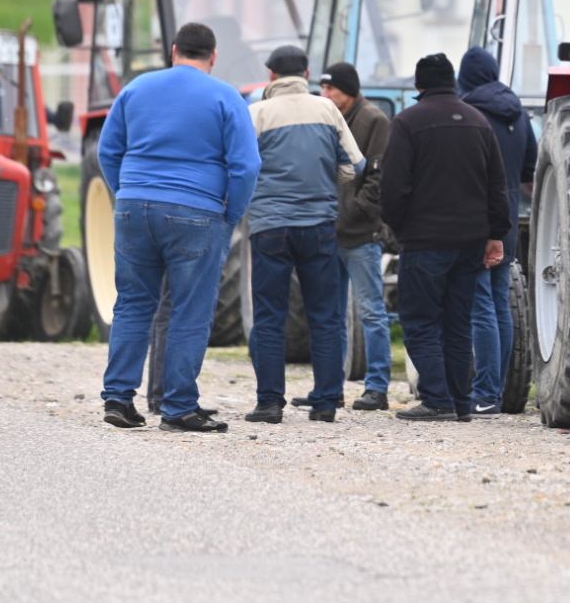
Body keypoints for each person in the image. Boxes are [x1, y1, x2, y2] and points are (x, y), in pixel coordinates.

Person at [98, 22, 260, 433]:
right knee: (191, 308)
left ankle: (119, 398)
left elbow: (108, 149)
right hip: (196, 212)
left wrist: (126, 193)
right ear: (214, 56)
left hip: (134, 206)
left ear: (173, 51)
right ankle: (178, 406)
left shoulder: (135, 89)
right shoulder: (226, 96)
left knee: (133, 303)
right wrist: (230, 213)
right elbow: (247, 166)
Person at [379, 53, 510, 422]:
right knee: (458, 321)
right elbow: (496, 185)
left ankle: (436, 399)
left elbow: (393, 187)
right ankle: (461, 401)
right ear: (452, 81)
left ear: (419, 85)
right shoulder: (478, 121)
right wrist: (495, 233)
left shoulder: (407, 123)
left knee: (421, 320)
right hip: (470, 241)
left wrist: (398, 227)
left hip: (423, 240)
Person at [244, 46, 365, 424]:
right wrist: (326, 179)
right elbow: (355, 165)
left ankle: (269, 403)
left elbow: (243, 168)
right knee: (325, 315)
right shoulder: (327, 110)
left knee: (269, 316)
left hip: (270, 227)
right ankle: (327, 401)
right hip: (318, 225)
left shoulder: (257, 114)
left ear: (271, 76)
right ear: (307, 73)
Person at [456, 47, 537, 416]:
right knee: (500, 302)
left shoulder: (471, 114)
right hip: (508, 216)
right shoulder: (518, 114)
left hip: (478, 215)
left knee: (480, 305)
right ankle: (499, 390)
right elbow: (529, 170)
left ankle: (486, 392)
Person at [315, 61, 394, 413]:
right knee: (330, 313)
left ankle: (377, 387)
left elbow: (379, 178)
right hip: (329, 231)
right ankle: (329, 387)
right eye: (323, 88)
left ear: (349, 91)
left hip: (360, 233)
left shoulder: (374, 120)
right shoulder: (327, 117)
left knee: (371, 311)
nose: (325, 95)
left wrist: (353, 211)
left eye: (331, 89)